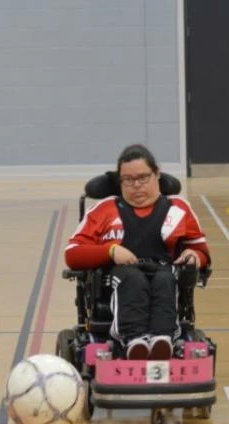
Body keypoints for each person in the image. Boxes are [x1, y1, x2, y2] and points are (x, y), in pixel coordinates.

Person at [65, 144, 210, 360]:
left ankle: (163, 340)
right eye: (128, 180)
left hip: (164, 272)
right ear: (119, 181)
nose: (136, 186)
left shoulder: (178, 209)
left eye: (143, 178)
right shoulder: (104, 210)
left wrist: (194, 257)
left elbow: (201, 252)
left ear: (157, 174)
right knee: (132, 278)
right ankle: (133, 341)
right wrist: (110, 251)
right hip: (118, 277)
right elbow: (73, 254)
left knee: (164, 278)